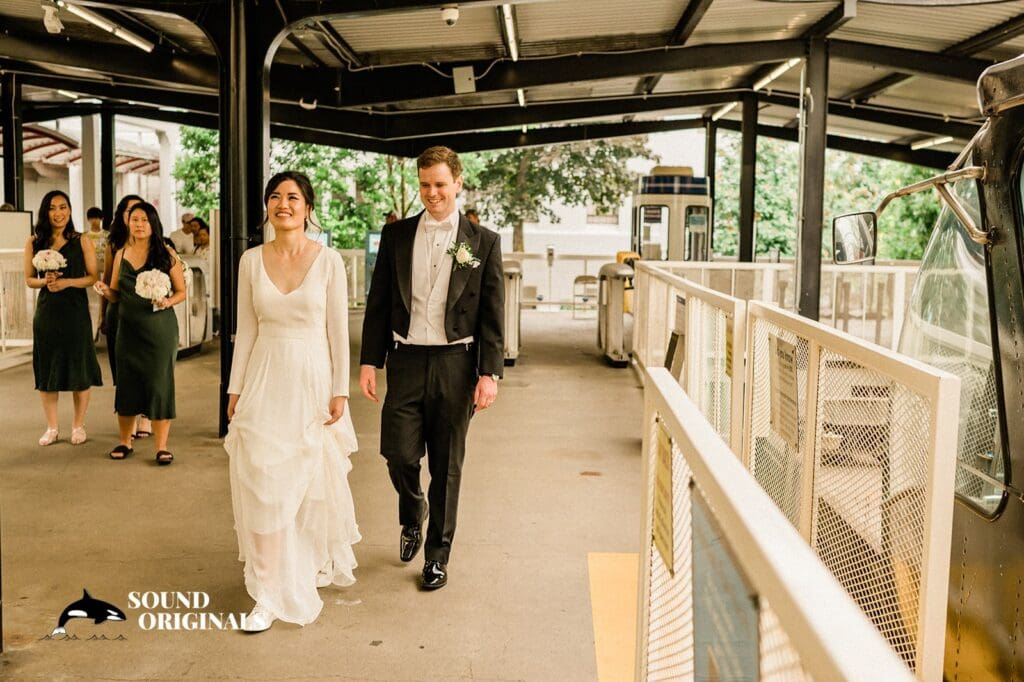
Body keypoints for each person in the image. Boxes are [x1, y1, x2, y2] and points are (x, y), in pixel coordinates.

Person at [360, 146, 504, 590]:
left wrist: (489, 372)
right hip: (404, 360)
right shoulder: (397, 235)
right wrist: (369, 360)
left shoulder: (484, 242)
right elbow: (379, 301)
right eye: (425, 185)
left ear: (458, 183)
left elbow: (493, 313)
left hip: (455, 364)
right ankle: (412, 510)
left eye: (440, 184)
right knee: (398, 454)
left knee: (446, 464)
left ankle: (437, 557)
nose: (432, 193)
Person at [224, 171, 360, 633]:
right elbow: (246, 330)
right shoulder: (249, 261)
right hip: (264, 376)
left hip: (310, 379)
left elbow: (338, 332)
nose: (284, 204)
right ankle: (266, 591)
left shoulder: (329, 261)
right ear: (267, 206)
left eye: (294, 197)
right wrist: (234, 390)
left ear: (307, 207)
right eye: (276, 197)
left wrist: (339, 389)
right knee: (262, 479)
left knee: (304, 482)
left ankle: (303, 562)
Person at [94, 202, 185, 464]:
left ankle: (161, 446)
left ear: (153, 223)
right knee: (127, 382)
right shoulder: (121, 253)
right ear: (127, 223)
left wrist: (168, 301)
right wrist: (103, 290)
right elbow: (115, 293)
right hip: (128, 329)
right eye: (135, 219)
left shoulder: (166, 253)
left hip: (159, 331)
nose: (139, 224)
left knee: (159, 384)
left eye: (144, 220)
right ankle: (125, 441)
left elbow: (181, 291)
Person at [23, 190, 103, 446]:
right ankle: (52, 427)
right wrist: (43, 281)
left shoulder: (82, 241)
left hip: (75, 312)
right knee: (48, 369)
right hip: (47, 313)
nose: (59, 213)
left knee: (78, 367)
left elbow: (92, 277)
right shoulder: (34, 242)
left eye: (63, 207)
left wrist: (68, 282)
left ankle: (78, 425)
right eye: (53, 208)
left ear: (69, 210)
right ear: (46, 212)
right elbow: (29, 279)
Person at [99, 194, 152, 439]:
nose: (135, 218)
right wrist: (102, 315)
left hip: (146, 314)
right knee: (122, 368)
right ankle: (127, 413)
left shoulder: (157, 245)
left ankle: (147, 416)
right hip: (118, 312)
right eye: (129, 212)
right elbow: (109, 282)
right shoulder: (114, 246)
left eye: (140, 213)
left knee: (146, 365)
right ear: (123, 217)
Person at [84, 206, 108, 271]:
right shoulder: (84, 236)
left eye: (96, 218)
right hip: (89, 269)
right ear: (88, 219)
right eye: (91, 218)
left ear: (101, 219)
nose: (94, 221)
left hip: (104, 268)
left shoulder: (108, 235)